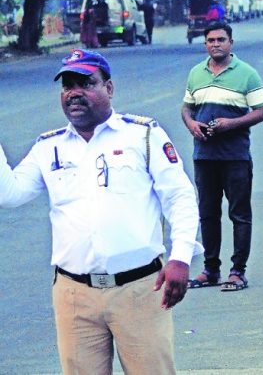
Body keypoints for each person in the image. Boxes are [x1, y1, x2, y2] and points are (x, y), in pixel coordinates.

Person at [0, 49, 203, 374]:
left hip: (139, 288)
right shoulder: (48, 146)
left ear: (108, 88)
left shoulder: (143, 135)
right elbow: (10, 194)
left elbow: (179, 197)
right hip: (74, 294)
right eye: (67, 86)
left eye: (85, 83)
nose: (74, 93)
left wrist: (180, 257)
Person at [181, 21, 263, 292]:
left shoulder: (247, 74)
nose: (215, 44)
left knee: (239, 214)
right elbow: (186, 108)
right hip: (204, 155)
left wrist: (230, 124)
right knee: (207, 214)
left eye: (220, 39)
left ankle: (237, 271)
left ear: (231, 43)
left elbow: (262, 111)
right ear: (205, 43)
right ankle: (211, 269)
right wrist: (192, 125)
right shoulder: (196, 73)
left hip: (235, 156)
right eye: (210, 40)